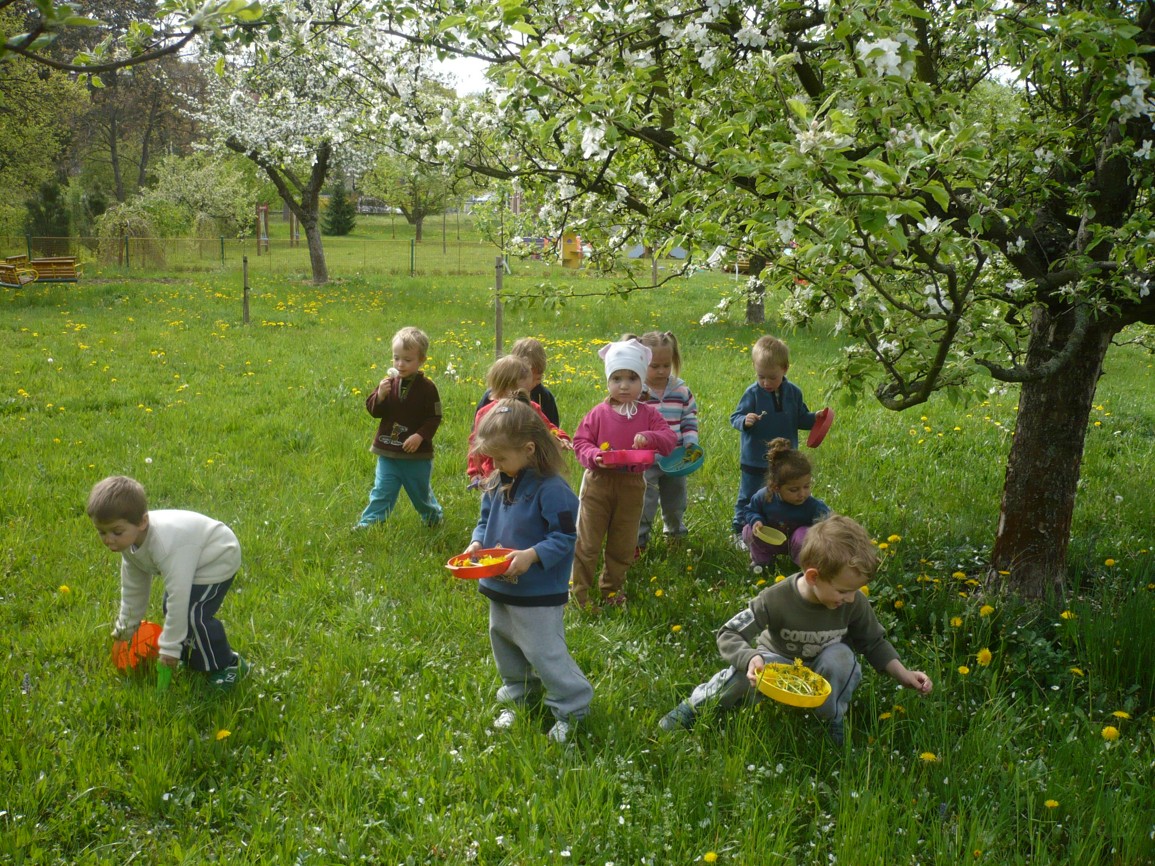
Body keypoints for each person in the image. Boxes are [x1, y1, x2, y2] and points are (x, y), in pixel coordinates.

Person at [659, 514, 933, 744]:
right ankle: (695, 706)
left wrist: (904, 675)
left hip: (820, 673)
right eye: (843, 591)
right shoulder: (775, 598)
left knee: (843, 659)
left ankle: (831, 719)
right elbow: (729, 633)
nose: (851, 598)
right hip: (776, 667)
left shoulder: (853, 602)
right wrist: (750, 658)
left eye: (855, 591)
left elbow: (873, 642)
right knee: (742, 673)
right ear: (813, 577)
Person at [463, 399, 592, 744]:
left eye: (501, 458)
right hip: (500, 586)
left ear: (529, 449)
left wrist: (532, 555)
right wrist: (476, 543)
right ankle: (519, 698)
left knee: (543, 651)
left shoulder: (553, 490)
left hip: (536, 592)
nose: (495, 465)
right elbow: (485, 521)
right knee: (505, 645)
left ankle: (572, 708)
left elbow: (565, 537)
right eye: (491, 458)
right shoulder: (497, 481)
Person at [87, 475, 248, 687]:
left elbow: (178, 596)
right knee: (172, 608)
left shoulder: (165, 545)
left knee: (192, 614)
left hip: (217, 556)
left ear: (142, 522)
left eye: (117, 532)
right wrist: (126, 628)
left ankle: (228, 664)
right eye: (102, 532)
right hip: (193, 556)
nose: (109, 539)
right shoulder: (129, 542)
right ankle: (192, 657)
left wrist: (170, 648)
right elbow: (134, 589)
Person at [571, 338, 677, 608]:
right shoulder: (598, 413)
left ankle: (611, 590)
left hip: (632, 484)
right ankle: (579, 593)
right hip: (598, 483)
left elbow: (669, 440)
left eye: (632, 378)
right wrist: (595, 456)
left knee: (623, 542)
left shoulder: (648, 414)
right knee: (588, 542)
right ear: (608, 381)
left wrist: (650, 437)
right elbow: (580, 442)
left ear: (642, 381)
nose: (624, 385)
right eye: (617, 378)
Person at [729, 335, 827, 545]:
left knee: (781, 493)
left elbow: (800, 418)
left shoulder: (794, 393)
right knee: (749, 495)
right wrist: (745, 420)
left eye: (772, 377)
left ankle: (781, 525)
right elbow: (735, 417)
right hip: (755, 458)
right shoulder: (752, 394)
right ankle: (740, 530)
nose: (766, 382)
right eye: (761, 376)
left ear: (785, 369)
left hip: (784, 461)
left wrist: (815, 419)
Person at [356, 326, 443, 529]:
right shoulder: (387, 384)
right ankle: (368, 524)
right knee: (381, 491)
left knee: (420, 493)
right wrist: (380, 396)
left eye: (407, 359)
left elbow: (434, 417)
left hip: (416, 456)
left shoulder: (428, 388)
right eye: (396, 358)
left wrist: (420, 436)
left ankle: (433, 518)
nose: (400, 364)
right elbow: (374, 411)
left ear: (421, 360)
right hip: (387, 452)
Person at [630, 330, 699, 552]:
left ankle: (675, 535)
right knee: (644, 503)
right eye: (654, 366)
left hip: (675, 459)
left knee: (676, 501)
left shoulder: (681, 390)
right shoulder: (636, 393)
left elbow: (689, 418)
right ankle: (639, 541)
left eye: (666, 365)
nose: (661, 371)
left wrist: (690, 442)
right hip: (647, 460)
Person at [467, 355, 571, 488]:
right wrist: (475, 472)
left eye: (528, 391)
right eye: (521, 391)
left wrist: (560, 437)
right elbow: (476, 442)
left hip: (527, 467)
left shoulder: (531, 408)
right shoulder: (486, 413)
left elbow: (547, 427)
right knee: (497, 498)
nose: (525, 396)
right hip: (495, 472)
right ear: (503, 388)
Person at [742, 438, 830, 568]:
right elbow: (750, 510)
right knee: (748, 531)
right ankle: (763, 563)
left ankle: (803, 565)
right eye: (794, 490)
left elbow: (829, 521)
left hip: (797, 544)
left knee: (804, 535)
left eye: (806, 486)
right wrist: (756, 520)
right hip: (770, 539)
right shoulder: (764, 496)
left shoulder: (811, 505)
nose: (802, 494)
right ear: (776, 487)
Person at [474, 337, 561, 426]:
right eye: (526, 376)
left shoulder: (544, 397)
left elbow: (553, 428)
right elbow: (477, 430)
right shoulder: (490, 397)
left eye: (538, 379)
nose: (532, 384)